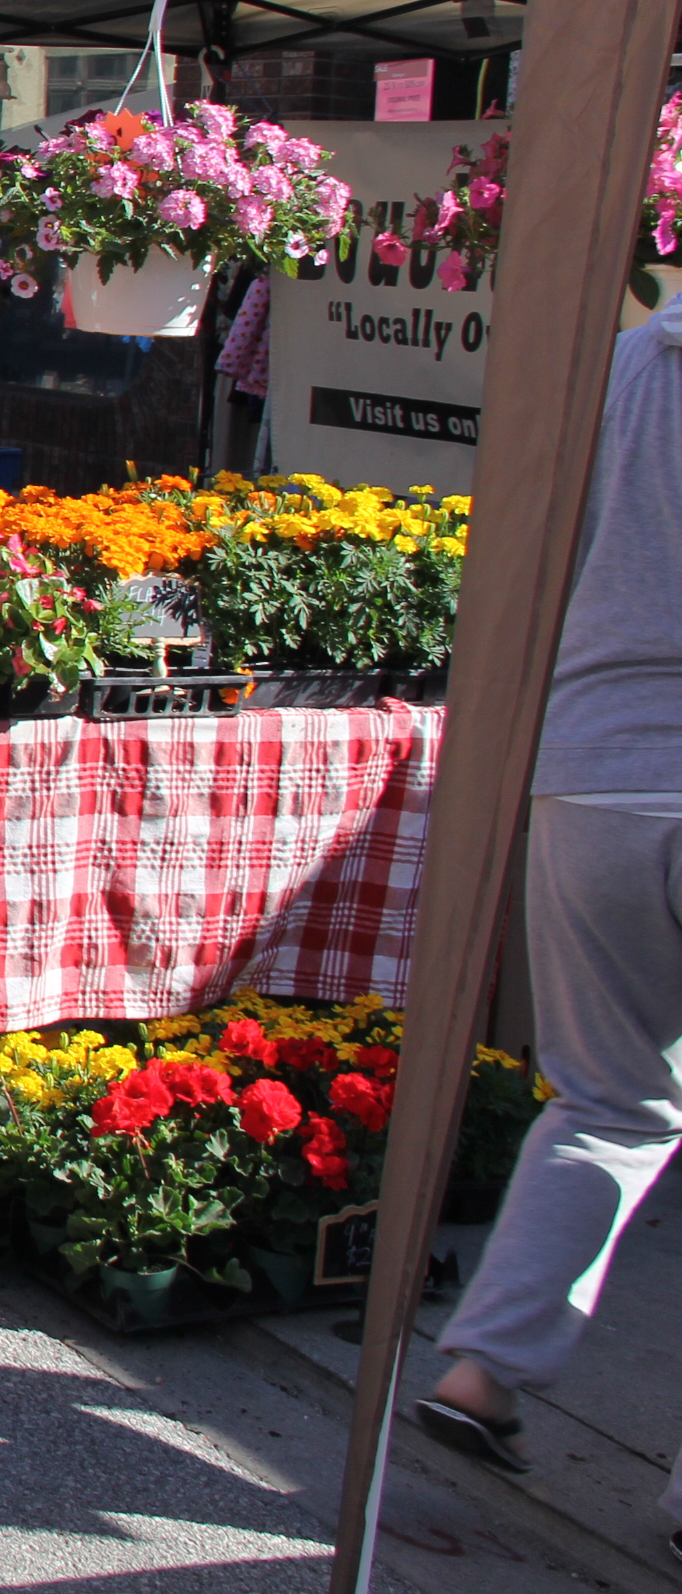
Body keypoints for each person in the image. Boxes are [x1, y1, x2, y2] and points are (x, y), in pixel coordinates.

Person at [413, 286, 682, 1565]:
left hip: (595, 772)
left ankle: (485, 1366)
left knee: (608, 1100)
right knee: (620, 1100)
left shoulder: (615, 369)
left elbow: (523, 557)